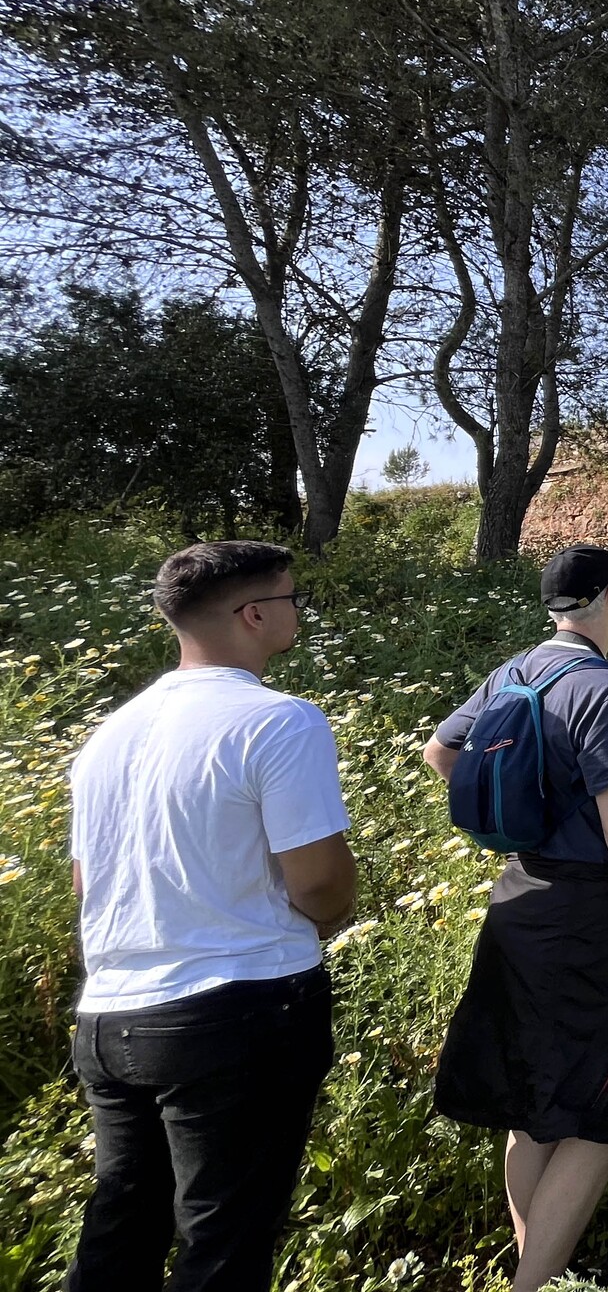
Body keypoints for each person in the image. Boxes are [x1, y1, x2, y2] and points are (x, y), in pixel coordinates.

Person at [66, 540, 356, 1292]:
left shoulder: (110, 734)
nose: (299, 612)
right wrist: (324, 919)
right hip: (239, 1009)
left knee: (119, 1232)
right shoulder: (278, 722)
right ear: (254, 614)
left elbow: (85, 882)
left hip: (110, 1015)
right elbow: (320, 881)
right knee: (223, 1242)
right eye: (292, 600)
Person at [425, 545, 608, 1292]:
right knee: (600, 1114)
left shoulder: (513, 672)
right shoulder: (606, 690)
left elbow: (440, 753)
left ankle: (535, 1270)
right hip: (592, 920)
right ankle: (530, 1287)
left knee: (534, 1103)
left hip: (518, 902)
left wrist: (526, 818)